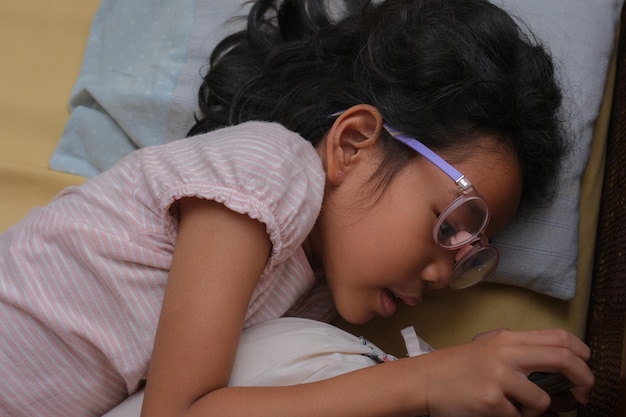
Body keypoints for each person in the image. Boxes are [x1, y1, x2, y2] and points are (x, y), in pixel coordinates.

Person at [0, 0, 593, 416]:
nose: (444, 273)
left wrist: (468, 371)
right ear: (354, 144)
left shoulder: (318, 296)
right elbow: (180, 412)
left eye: (470, 257)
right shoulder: (269, 169)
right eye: (449, 224)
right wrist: (429, 381)